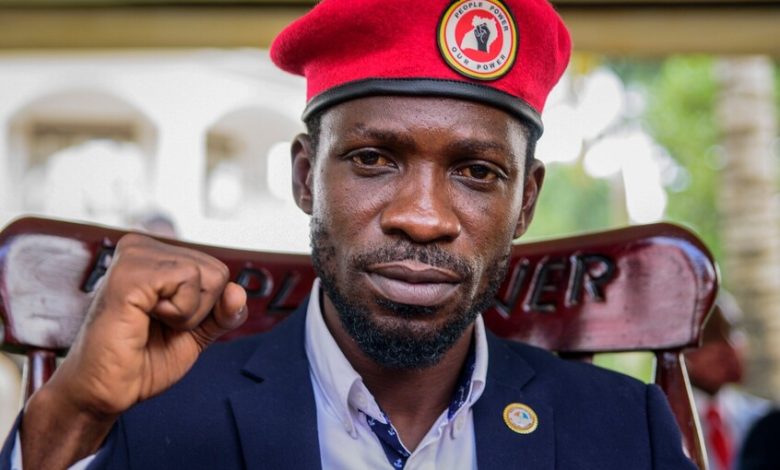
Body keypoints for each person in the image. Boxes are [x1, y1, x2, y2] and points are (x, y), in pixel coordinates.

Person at [1, 0, 696, 468]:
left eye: (477, 172)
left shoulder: (624, 431)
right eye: (373, 159)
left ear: (525, 202)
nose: (422, 216)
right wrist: (70, 413)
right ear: (305, 176)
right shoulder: (151, 413)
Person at [685, 293, 773, 470]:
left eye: (732, 330)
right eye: (710, 336)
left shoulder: (766, 421)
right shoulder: (662, 428)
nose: (728, 345)